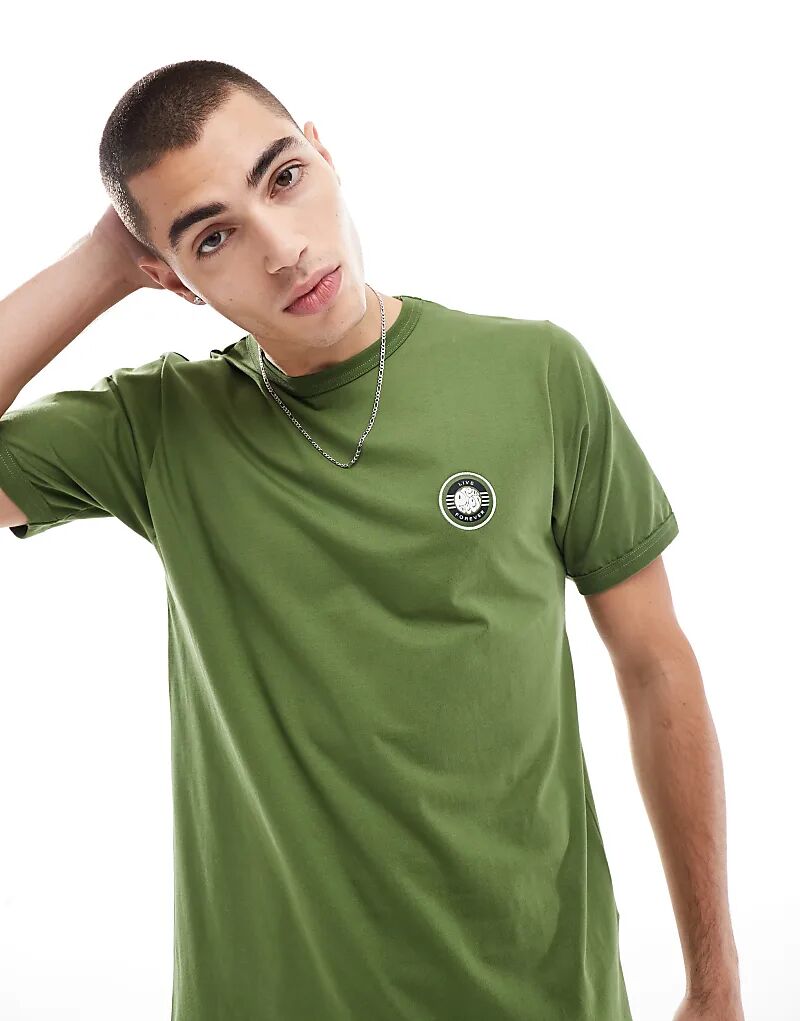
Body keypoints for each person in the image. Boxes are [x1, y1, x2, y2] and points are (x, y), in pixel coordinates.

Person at [0, 59, 744, 1021]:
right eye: (214, 235)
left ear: (324, 154)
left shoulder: (536, 373)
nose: (282, 249)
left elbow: (655, 662)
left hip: (537, 994)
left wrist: (715, 982)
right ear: (170, 278)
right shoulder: (160, 428)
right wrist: (100, 260)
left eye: (283, 177)